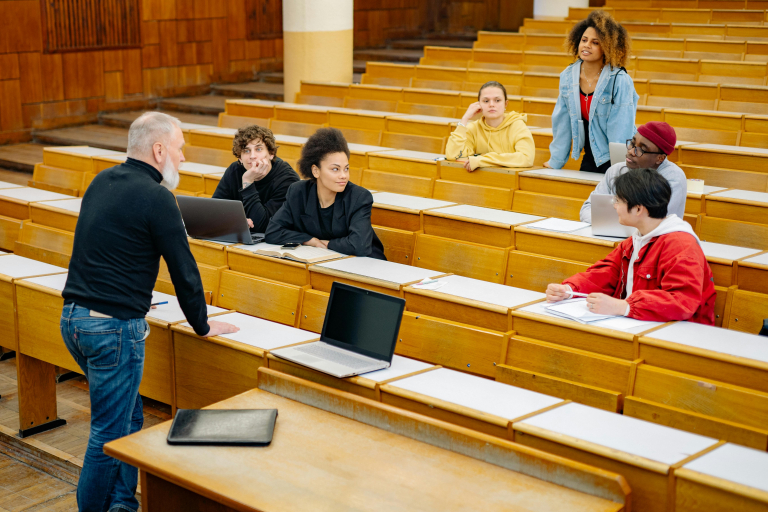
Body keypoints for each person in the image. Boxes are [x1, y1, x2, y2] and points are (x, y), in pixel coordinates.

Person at [61, 112, 239, 512]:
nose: (183, 158)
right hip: (112, 330)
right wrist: (203, 325)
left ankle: (122, 505)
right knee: (107, 433)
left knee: (129, 420)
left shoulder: (101, 181)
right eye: (179, 149)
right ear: (159, 150)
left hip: (73, 319)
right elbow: (184, 269)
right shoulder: (158, 197)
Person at [546, 168, 716, 325]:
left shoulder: (680, 245)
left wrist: (624, 306)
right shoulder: (638, 238)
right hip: (642, 323)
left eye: (618, 200)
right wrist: (569, 289)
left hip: (676, 333)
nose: (614, 206)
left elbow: (682, 301)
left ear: (638, 209)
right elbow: (607, 272)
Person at [265, 127, 386, 260]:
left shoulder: (359, 197)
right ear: (315, 171)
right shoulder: (298, 192)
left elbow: (359, 245)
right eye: (335, 169)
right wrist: (310, 241)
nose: (343, 176)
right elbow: (273, 232)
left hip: (366, 264)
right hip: (326, 261)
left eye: (346, 169)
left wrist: (326, 244)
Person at [545, 10, 639, 173]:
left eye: (595, 42)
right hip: (592, 153)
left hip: (620, 157)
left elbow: (621, 129)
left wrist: (619, 168)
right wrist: (556, 161)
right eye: (584, 40)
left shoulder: (619, 79)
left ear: (607, 47)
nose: (587, 45)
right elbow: (562, 122)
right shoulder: (567, 77)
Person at [580, 121, 686, 223]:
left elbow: (655, 222)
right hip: (610, 236)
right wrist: (613, 224)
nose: (631, 151)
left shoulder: (672, 178)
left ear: (660, 158)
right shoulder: (615, 170)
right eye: (632, 143)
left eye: (641, 149)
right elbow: (587, 209)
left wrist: (612, 221)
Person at [212, 124, 299, 232]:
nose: (252, 156)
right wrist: (237, 221)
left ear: (271, 153)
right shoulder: (234, 171)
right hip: (241, 235)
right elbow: (214, 210)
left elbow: (263, 226)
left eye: (258, 149)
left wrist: (248, 182)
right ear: (240, 158)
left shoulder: (288, 180)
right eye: (246, 151)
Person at [445, 81, 535, 171]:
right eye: (486, 101)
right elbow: (452, 156)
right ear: (479, 104)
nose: (491, 104)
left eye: (497, 100)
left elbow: (526, 158)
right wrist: (464, 120)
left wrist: (482, 160)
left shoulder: (517, 125)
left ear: (505, 104)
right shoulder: (473, 128)